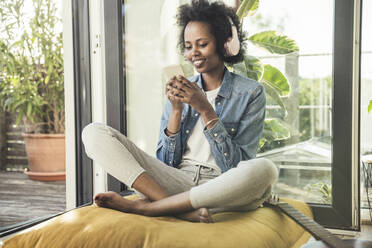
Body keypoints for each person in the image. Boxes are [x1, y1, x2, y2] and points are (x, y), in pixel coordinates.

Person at [82, 0, 278, 223]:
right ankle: (179, 209)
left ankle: (149, 208)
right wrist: (175, 111)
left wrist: (205, 109)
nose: (193, 53)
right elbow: (166, 163)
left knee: (265, 170)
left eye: (202, 44)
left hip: (221, 186)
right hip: (177, 181)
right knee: (93, 132)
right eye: (187, 46)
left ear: (225, 43)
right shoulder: (182, 90)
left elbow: (234, 166)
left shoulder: (251, 93)